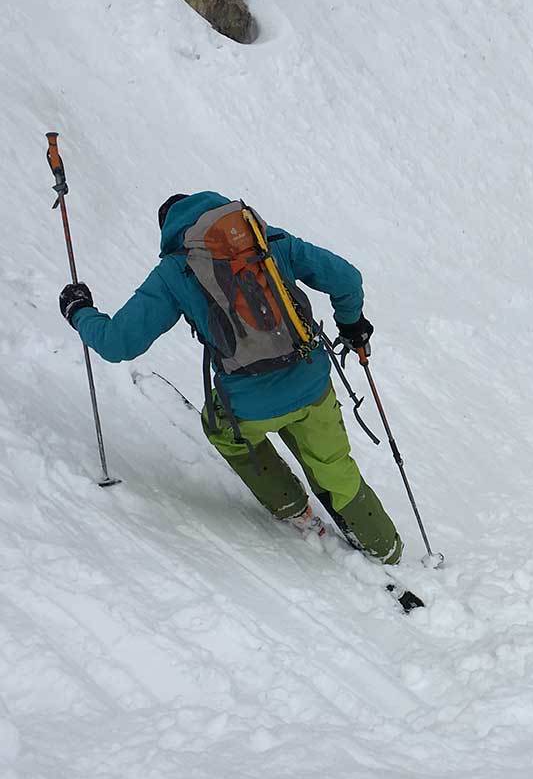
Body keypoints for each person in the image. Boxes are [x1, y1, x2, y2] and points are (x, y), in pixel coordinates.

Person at [57, 191, 404, 564]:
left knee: (221, 428)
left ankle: (290, 505)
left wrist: (80, 312)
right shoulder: (265, 239)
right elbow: (347, 279)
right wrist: (352, 323)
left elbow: (118, 344)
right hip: (312, 381)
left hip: (247, 404)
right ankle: (385, 547)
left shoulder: (176, 270)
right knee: (333, 462)